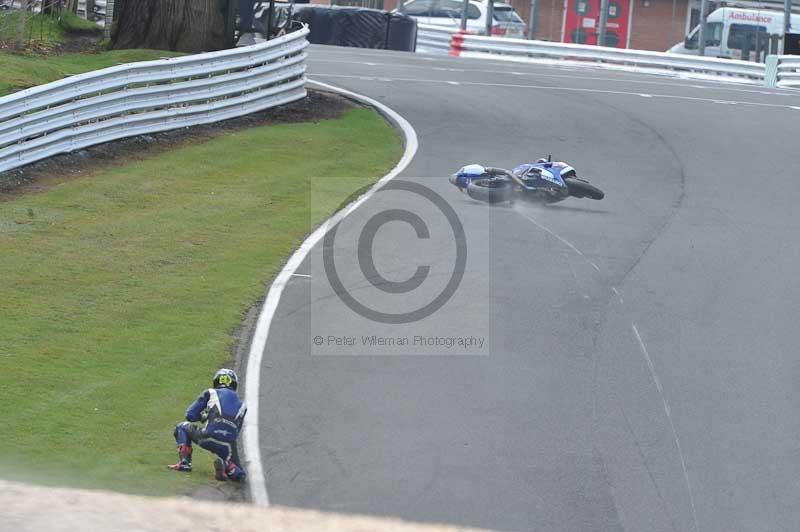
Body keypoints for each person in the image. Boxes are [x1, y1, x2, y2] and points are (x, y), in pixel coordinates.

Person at [168, 368, 247, 482]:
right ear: (234, 384)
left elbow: (190, 415)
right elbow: (236, 432)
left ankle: (185, 463)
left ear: (216, 382)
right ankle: (229, 466)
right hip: (228, 444)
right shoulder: (243, 406)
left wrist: (204, 416)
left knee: (181, 427)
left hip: (208, 436)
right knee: (240, 474)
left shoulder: (210, 392)